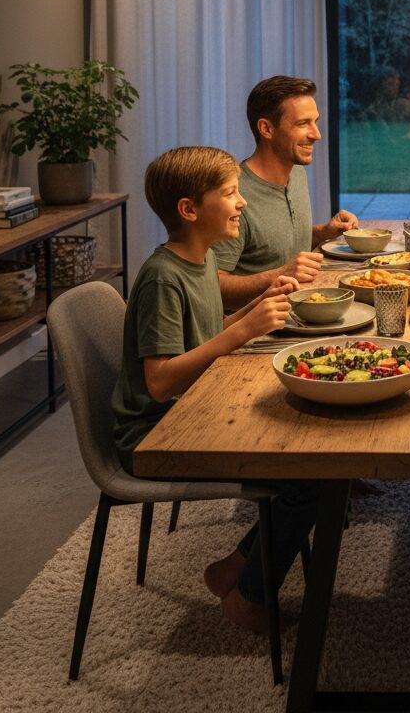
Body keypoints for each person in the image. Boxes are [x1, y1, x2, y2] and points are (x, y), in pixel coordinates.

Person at [112, 146, 318, 634]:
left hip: (194, 410)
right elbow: (160, 382)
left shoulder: (199, 259)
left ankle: (235, 567)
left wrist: (256, 307)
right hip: (156, 433)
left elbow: (206, 332)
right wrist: (242, 332)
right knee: (312, 477)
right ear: (189, 209)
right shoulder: (163, 278)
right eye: (229, 193)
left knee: (314, 444)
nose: (242, 202)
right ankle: (249, 597)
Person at [214, 76, 358, 309]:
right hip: (258, 327)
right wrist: (279, 274)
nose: (316, 134)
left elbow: (270, 244)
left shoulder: (296, 171)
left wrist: (322, 232)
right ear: (266, 129)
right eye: (302, 124)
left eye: (315, 122)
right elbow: (213, 288)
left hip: (302, 311)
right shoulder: (233, 195)